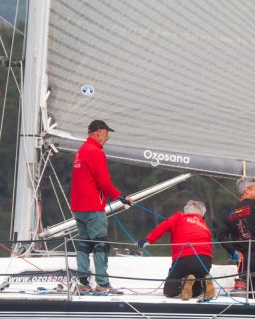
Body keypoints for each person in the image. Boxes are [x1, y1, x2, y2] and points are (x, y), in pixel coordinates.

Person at [70, 119, 132, 294]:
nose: (108, 137)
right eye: (106, 133)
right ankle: (103, 284)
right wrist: (121, 197)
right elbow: (103, 182)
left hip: (78, 207)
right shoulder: (95, 152)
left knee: (84, 244)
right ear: (98, 132)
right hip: (92, 207)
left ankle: (83, 284)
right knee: (100, 244)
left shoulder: (81, 150)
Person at [137, 200, 215, 301]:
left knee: (169, 291)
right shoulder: (204, 225)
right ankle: (204, 282)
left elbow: (164, 226)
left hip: (185, 258)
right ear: (201, 215)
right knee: (195, 291)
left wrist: (148, 239)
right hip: (206, 261)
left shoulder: (180, 217)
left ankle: (184, 282)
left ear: (186, 211)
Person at [218, 177, 255, 297]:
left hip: (242, 259)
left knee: (246, 296)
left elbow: (221, 235)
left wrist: (232, 252)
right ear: (247, 190)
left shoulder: (231, 212)